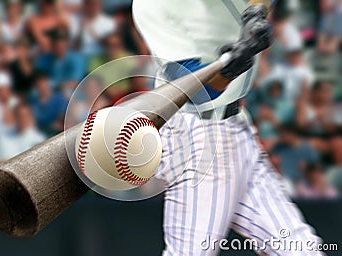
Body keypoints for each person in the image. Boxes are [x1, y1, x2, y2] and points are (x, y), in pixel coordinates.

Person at [133, 0, 323, 255]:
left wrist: (255, 13)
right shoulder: (152, 6)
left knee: (300, 249)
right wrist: (233, 65)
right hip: (198, 137)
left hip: (236, 125)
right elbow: (195, 90)